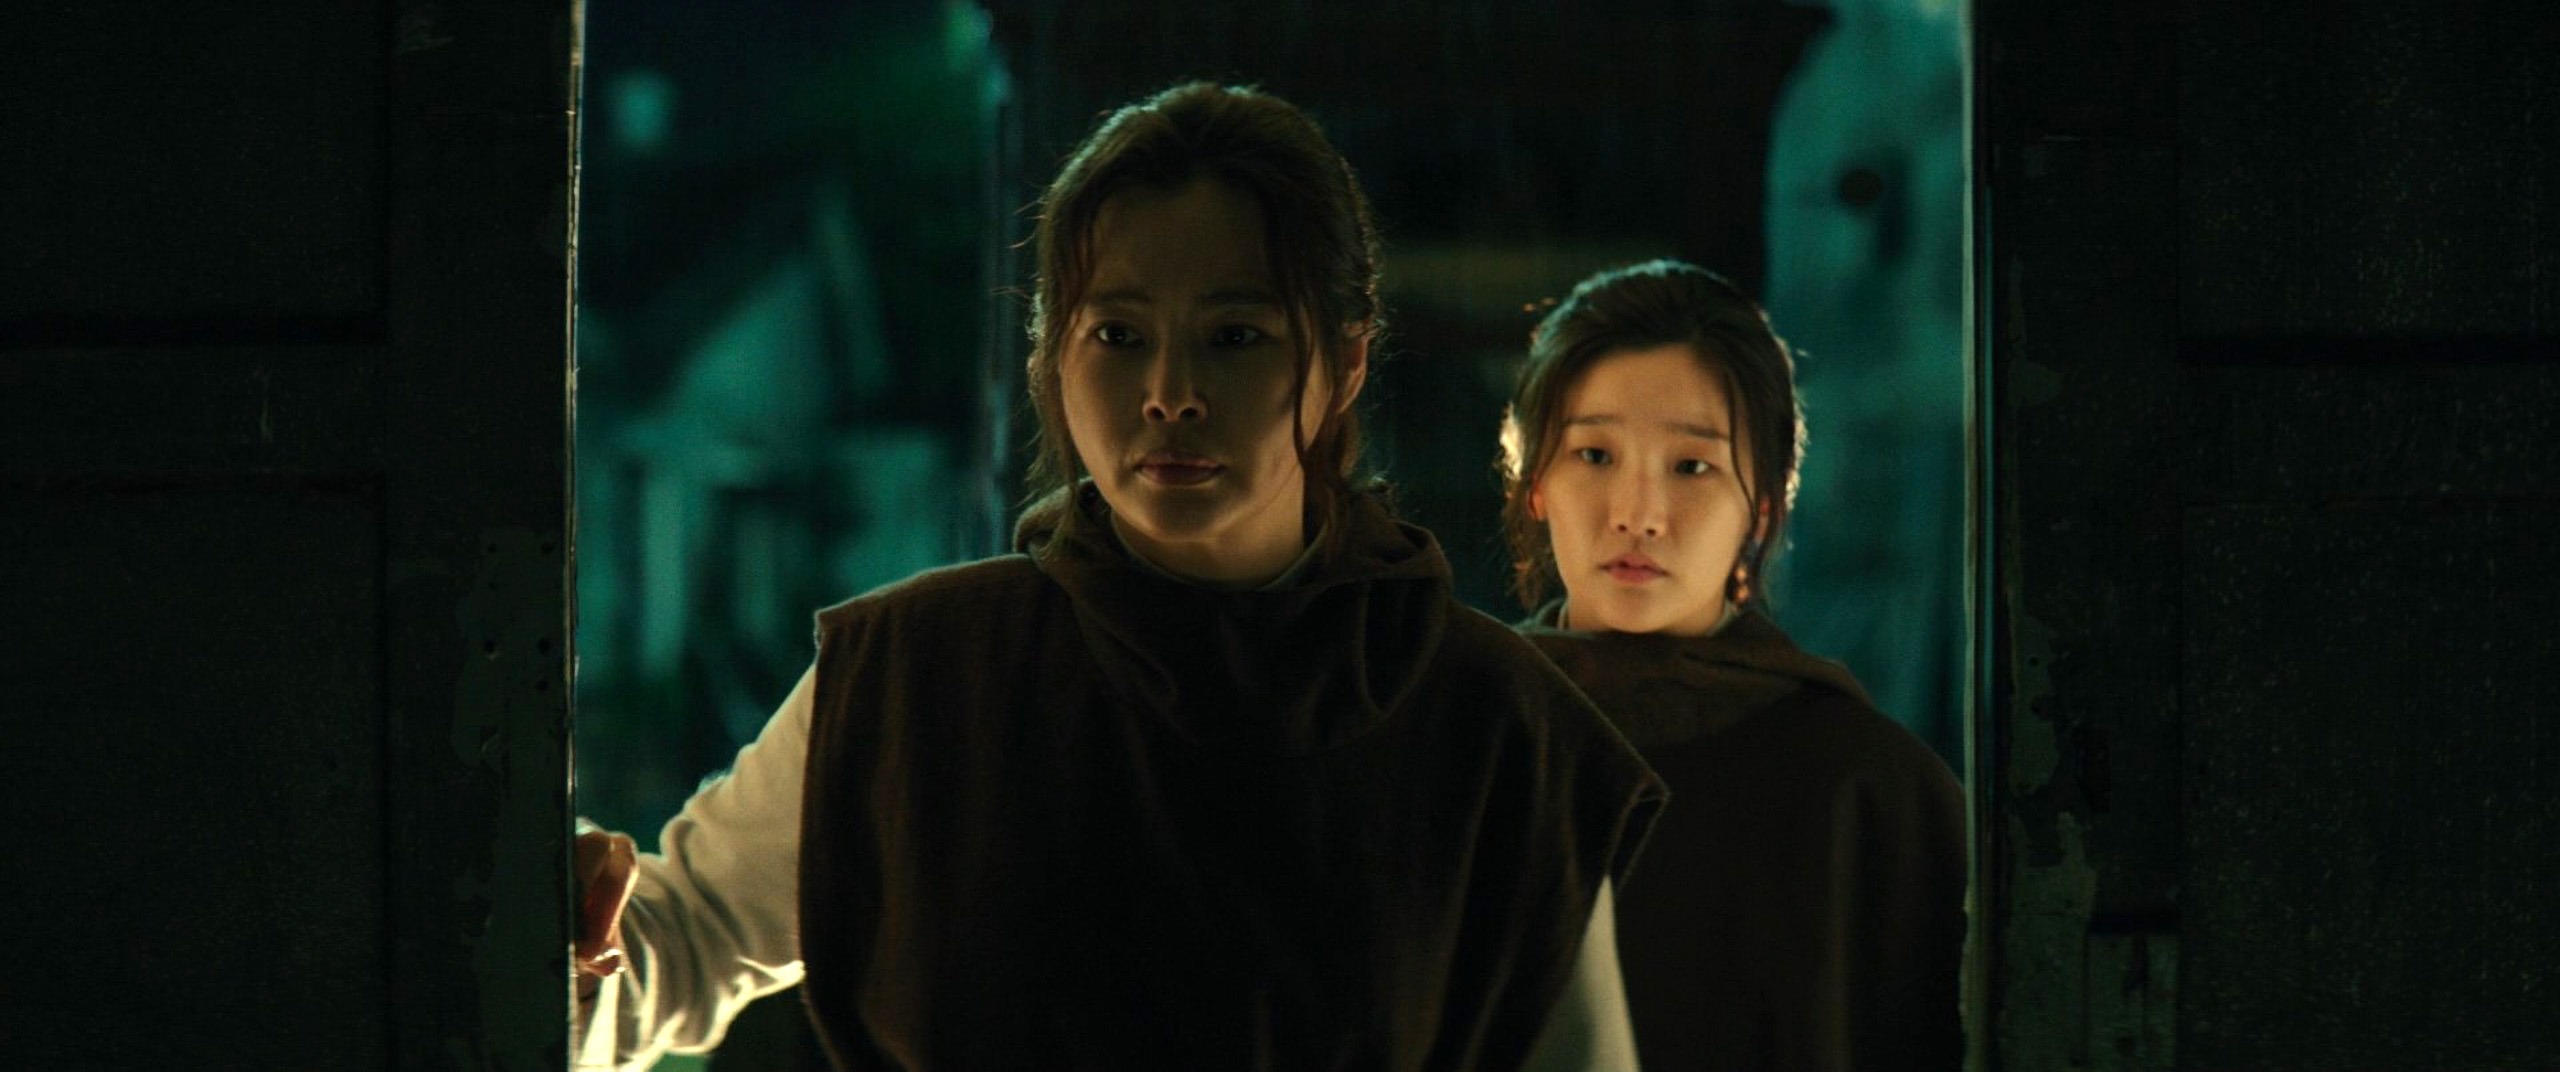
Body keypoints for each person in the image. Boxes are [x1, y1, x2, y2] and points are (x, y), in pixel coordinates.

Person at [570, 83, 1665, 1071]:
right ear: (1054, 355)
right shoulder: (919, 677)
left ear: (1344, 362)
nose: (1170, 391)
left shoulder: (1495, 729)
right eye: (1119, 333)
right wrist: (573, 939)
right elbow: (678, 943)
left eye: (1235, 335)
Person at [1498, 260, 1966, 1069]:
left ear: (1764, 506)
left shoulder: (1870, 791)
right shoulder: (1470, 738)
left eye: (1692, 466)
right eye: (1595, 455)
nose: (1637, 514)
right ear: (1535, 481)